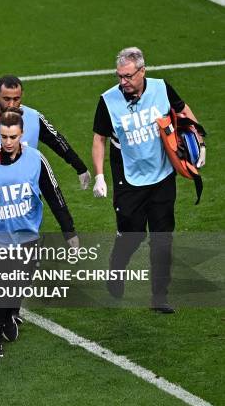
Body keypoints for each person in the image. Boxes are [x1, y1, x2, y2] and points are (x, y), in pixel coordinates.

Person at [92, 47, 206, 314]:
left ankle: (159, 296)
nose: (123, 82)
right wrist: (99, 175)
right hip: (128, 178)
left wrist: (199, 143)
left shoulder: (161, 88)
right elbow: (99, 137)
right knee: (131, 234)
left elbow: (183, 110)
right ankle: (117, 268)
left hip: (162, 176)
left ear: (142, 71)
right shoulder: (108, 100)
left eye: (128, 76)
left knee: (162, 237)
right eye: (120, 76)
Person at [0, 109, 78, 358]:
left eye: (13, 137)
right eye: (4, 137)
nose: (8, 142)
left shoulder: (36, 159)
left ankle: (9, 315)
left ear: (22, 134)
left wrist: (68, 230)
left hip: (26, 233)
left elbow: (54, 195)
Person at [0, 75, 90, 214]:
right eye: (6, 99)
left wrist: (80, 167)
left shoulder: (33, 117)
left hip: (27, 195)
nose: (11, 104)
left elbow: (56, 141)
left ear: (22, 96)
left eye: (16, 99)